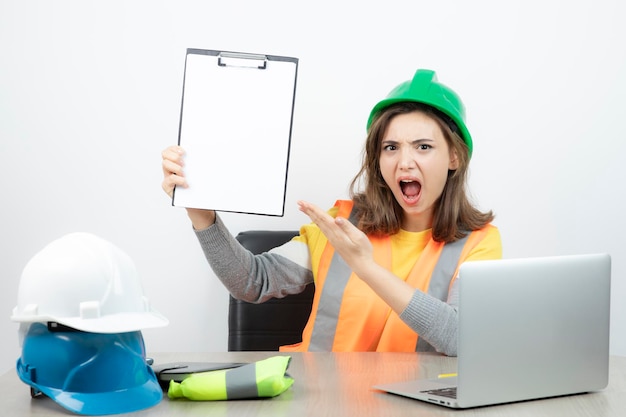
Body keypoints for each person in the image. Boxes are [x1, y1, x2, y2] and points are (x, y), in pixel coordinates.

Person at [161, 69, 502, 356]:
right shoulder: (341, 224)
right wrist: (200, 212)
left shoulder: (479, 244)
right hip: (321, 397)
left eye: (423, 147)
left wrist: (365, 267)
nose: (405, 162)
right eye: (391, 147)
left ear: (454, 158)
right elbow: (251, 282)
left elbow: (461, 337)